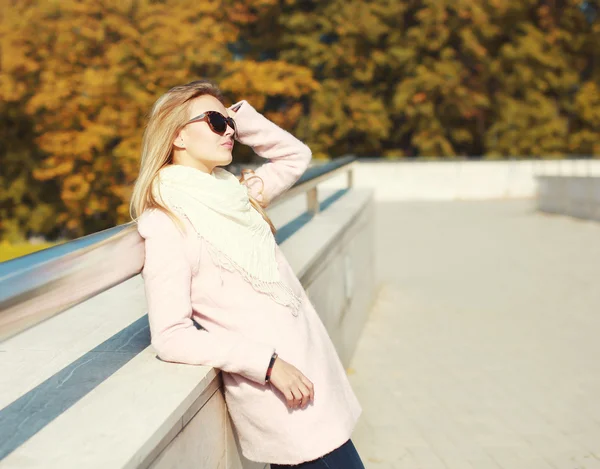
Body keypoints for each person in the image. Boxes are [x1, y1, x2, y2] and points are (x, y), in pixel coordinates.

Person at [129, 79, 365, 468]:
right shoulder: (167, 221)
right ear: (177, 137)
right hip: (282, 398)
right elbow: (171, 336)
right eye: (213, 122)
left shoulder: (240, 194)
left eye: (228, 123)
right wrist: (267, 364)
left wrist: (237, 116)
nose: (229, 132)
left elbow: (295, 156)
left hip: (312, 380)